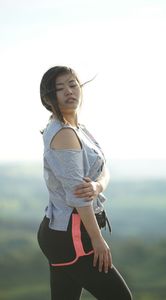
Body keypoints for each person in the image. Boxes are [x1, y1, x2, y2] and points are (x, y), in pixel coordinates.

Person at [37, 65, 133, 300]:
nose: (69, 91)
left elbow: (103, 170)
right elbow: (78, 195)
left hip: (61, 232)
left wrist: (98, 186)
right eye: (60, 88)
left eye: (72, 84)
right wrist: (98, 240)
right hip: (73, 235)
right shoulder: (64, 134)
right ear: (49, 98)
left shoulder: (79, 129)